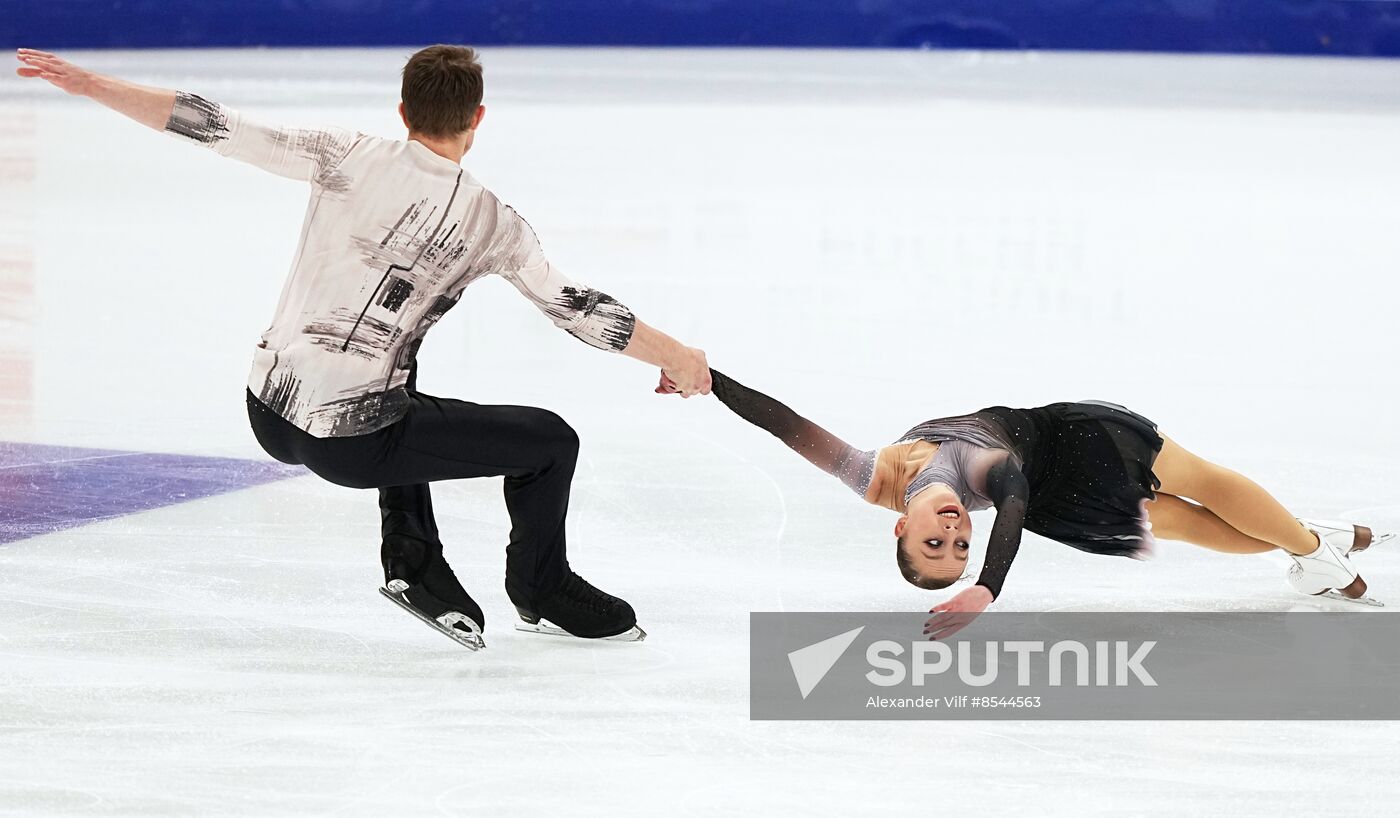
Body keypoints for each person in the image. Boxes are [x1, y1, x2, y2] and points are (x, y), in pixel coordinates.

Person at [16, 45, 713, 650]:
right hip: (353, 445)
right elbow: (577, 310)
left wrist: (91, 86)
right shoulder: (496, 224)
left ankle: (414, 557)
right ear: (477, 120)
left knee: (398, 375)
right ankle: (543, 585)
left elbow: (214, 125)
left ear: (403, 112)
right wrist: (677, 356)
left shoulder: (342, 153)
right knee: (552, 442)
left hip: (267, 412)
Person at [696, 369, 1390, 636]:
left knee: (1199, 481)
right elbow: (1017, 499)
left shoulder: (869, 474)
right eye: (960, 546)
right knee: (1178, 520)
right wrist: (987, 587)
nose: (954, 533)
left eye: (934, 543)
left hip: (1077, 438)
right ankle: (1308, 540)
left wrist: (704, 377)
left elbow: (784, 424)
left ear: (899, 528)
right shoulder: (975, 475)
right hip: (1054, 498)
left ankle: (1311, 549)